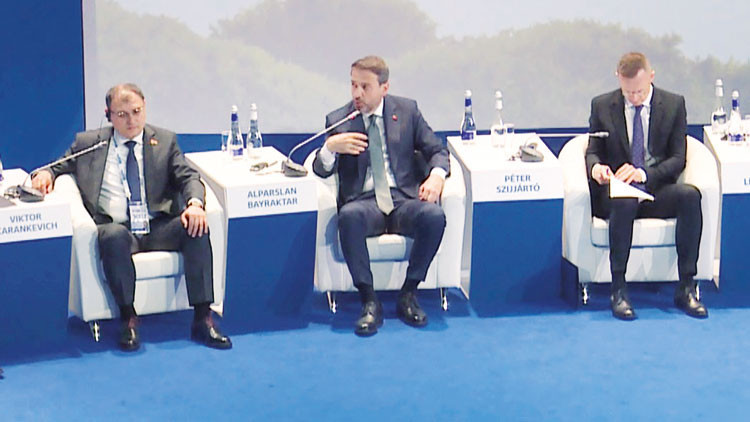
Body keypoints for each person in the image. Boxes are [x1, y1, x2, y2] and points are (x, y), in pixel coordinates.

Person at [32, 83, 232, 350]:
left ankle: (203, 319)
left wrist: (195, 204)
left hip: (157, 225)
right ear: (108, 115)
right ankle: (128, 319)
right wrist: (46, 174)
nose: (131, 120)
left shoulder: (164, 141)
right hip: (117, 227)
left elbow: (189, 177)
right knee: (113, 236)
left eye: (136, 112)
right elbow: (59, 165)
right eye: (122, 114)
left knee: (195, 227)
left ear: (145, 107)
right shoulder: (90, 143)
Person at [313, 56, 450, 336]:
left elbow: (437, 150)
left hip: (403, 199)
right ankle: (369, 300)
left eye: (365, 87)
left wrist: (436, 176)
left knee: (434, 216)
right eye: (353, 85)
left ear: (384, 88)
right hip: (365, 203)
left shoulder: (408, 111)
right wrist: (330, 148)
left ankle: (409, 293)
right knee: (348, 217)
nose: (357, 94)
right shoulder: (339, 120)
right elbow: (320, 169)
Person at [586, 52, 707, 320]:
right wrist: (597, 169)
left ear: (651, 77)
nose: (634, 98)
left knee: (690, 196)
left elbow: (678, 159)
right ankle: (619, 289)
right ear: (618, 79)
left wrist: (643, 174)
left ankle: (686, 287)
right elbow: (592, 151)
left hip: (654, 188)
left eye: (639, 91)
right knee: (625, 201)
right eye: (628, 92)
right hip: (618, 194)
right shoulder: (602, 105)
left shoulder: (674, 104)